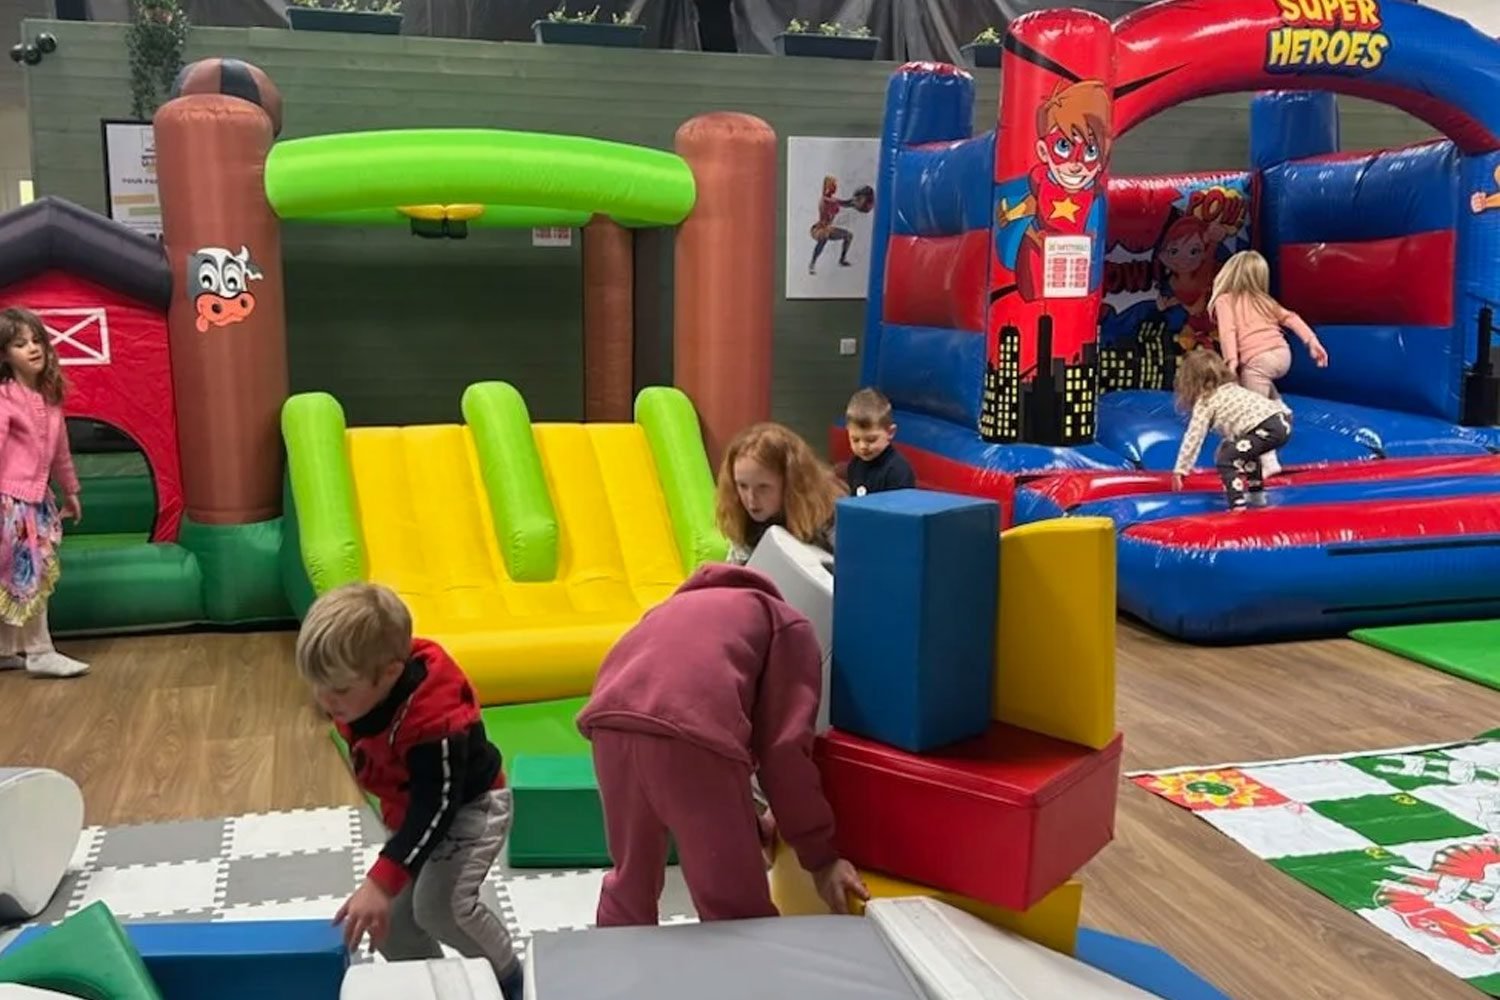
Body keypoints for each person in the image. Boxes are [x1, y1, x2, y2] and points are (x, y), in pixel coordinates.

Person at [576, 562, 869, 926]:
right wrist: (821, 858)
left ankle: (617, 972)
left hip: (609, 725)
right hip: (691, 738)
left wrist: (744, 819)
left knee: (631, 879)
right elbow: (783, 752)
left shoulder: (669, 609)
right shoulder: (784, 622)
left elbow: (697, 714)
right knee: (732, 903)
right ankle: (750, 980)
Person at [295, 583, 523, 1000]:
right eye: (317, 685)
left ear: (390, 674)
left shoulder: (434, 722)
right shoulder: (363, 690)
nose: (326, 701)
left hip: (470, 809)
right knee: (390, 928)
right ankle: (439, 988)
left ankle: (509, 980)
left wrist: (381, 882)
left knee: (441, 909)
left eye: (340, 690)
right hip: (417, 815)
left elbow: (434, 809)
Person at [0, 307, 85, 678]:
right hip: (11, 503)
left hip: (36, 502)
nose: (33, 349)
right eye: (20, 344)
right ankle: (39, 651)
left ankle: (6, 650)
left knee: (22, 576)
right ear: (4, 354)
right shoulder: (5, 397)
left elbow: (60, 452)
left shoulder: (50, 398)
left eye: (38, 341)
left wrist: (71, 491)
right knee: (26, 576)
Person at [1209, 249, 1328, 476]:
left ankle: (1269, 461)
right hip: (1282, 355)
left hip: (1258, 359)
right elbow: (1291, 318)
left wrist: (1231, 361)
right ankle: (1279, 407)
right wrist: (1312, 342)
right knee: (1258, 387)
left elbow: (1228, 332)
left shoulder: (1225, 300)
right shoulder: (1263, 300)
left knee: (1253, 414)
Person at [1171, 349, 1293, 510]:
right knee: (1245, 451)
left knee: (1226, 459)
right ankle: (1257, 496)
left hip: (1266, 427)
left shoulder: (1206, 401)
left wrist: (1181, 469)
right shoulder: (1232, 388)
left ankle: (1237, 503)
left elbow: (1194, 436)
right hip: (1280, 423)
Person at [717, 422, 842, 565]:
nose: (751, 500)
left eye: (763, 487)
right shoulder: (742, 519)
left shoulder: (829, 516)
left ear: (791, 483)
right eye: (742, 486)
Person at [844, 388, 916, 497]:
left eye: (871, 440)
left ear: (890, 432)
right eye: (855, 440)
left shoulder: (898, 471)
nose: (863, 446)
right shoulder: (854, 466)